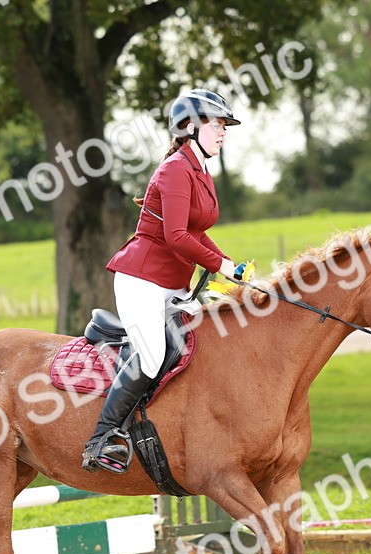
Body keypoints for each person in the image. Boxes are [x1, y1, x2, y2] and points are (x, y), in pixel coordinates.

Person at [81, 88, 252, 473]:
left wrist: (229, 264)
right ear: (190, 126)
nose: (223, 132)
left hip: (172, 283)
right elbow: (176, 236)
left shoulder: (201, 171)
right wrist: (223, 268)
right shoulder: (175, 169)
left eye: (226, 125)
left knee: (206, 340)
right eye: (217, 123)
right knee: (153, 355)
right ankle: (102, 438)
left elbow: (196, 231)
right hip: (142, 280)